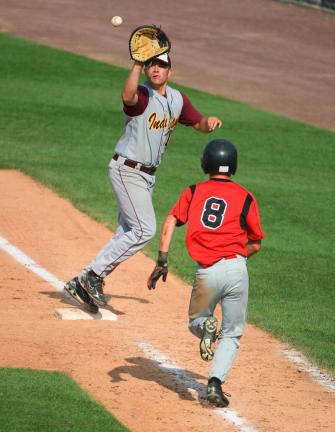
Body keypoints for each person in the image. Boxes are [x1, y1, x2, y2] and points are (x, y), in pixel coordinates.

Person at [64, 52, 222, 312]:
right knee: (144, 230)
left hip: (147, 176)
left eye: (161, 65)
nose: (155, 69)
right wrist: (136, 64)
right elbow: (127, 97)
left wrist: (210, 123)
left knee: (128, 231)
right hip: (127, 169)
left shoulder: (177, 99)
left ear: (170, 70)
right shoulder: (142, 95)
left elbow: (198, 123)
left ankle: (89, 279)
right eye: (151, 65)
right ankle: (91, 276)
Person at [147, 139, 265, 407]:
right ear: (232, 165)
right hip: (237, 269)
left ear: (206, 163)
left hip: (207, 272)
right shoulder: (247, 196)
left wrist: (162, 260)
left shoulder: (193, 191)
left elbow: (171, 220)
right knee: (233, 332)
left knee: (196, 322)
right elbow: (256, 242)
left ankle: (206, 327)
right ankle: (214, 384)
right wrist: (234, 256)